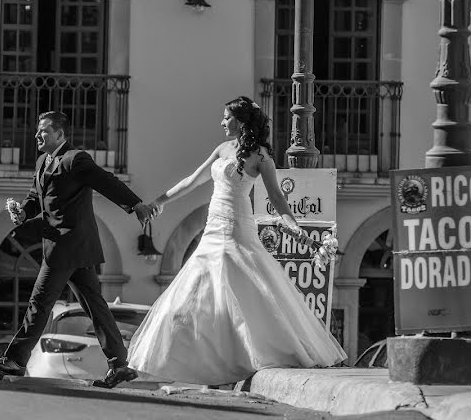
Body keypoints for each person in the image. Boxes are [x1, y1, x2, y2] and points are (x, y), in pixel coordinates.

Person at [127, 96, 347, 386]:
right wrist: (158, 201)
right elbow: (192, 180)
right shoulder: (221, 150)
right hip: (212, 227)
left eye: (226, 117)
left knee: (242, 287)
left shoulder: (261, 156)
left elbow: (277, 197)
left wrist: (295, 226)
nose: (221, 122)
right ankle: (206, 359)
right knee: (199, 290)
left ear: (240, 121)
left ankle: (258, 352)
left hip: (237, 227)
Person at [0, 111, 153, 389]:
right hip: (73, 248)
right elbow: (36, 198)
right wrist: (23, 213)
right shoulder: (42, 161)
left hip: (66, 246)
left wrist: (135, 205)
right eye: (38, 131)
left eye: (44, 131)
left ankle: (15, 360)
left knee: (39, 302)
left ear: (60, 134)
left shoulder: (75, 159)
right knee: (95, 306)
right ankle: (119, 366)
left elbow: (105, 180)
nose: (38, 136)